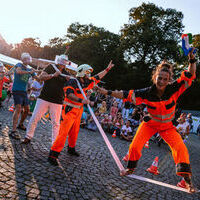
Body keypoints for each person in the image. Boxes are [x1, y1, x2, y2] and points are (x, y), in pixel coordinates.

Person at [96, 49, 197, 193]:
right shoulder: (147, 92)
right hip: (150, 124)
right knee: (135, 145)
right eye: (159, 78)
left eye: (165, 79)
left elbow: (190, 74)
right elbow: (125, 94)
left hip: (167, 127)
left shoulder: (174, 88)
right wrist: (106, 92)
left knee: (181, 149)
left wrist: (192, 60)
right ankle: (130, 168)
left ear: (169, 80)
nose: (161, 82)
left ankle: (187, 182)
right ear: (155, 77)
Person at [48, 61, 114, 166]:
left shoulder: (87, 82)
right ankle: (53, 154)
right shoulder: (73, 82)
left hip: (79, 110)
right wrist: (81, 100)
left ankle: (71, 148)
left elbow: (98, 77)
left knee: (75, 131)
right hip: (69, 109)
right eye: (87, 73)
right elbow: (69, 95)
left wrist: (107, 69)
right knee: (63, 132)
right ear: (82, 73)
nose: (89, 76)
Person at [22, 54, 70, 144]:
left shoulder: (67, 74)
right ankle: (28, 137)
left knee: (56, 123)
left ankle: (54, 144)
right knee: (34, 117)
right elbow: (41, 78)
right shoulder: (51, 67)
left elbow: (70, 86)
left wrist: (68, 80)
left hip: (57, 101)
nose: (63, 65)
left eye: (64, 63)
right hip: (44, 98)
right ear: (59, 61)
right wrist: (53, 75)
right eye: (61, 62)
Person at [10, 53, 39, 139]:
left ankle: (20, 124)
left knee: (27, 110)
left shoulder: (29, 69)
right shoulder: (19, 65)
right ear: (22, 59)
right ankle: (13, 130)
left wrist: (45, 74)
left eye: (28, 59)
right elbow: (18, 71)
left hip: (24, 91)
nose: (26, 60)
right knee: (18, 108)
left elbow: (38, 78)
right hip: (16, 90)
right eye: (25, 59)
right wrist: (30, 72)